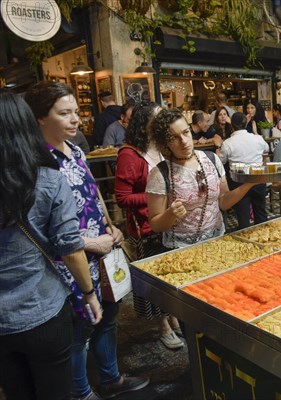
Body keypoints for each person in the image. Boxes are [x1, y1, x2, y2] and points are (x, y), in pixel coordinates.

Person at [25, 81, 149, 400]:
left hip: (102, 249)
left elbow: (94, 193)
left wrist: (112, 226)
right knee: (79, 330)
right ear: (40, 118)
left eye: (76, 112)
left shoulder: (77, 150)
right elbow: (43, 225)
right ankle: (80, 392)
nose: (75, 119)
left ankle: (111, 379)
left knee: (108, 316)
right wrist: (91, 243)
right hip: (69, 259)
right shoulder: (36, 162)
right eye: (64, 113)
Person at [0, 89, 102, 400]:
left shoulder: (70, 156)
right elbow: (69, 247)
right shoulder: (47, 177)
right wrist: (88, 293)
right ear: (28, 124)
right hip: (41, 308)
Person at [114, 102, 185, 351]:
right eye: (156, 118)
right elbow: (122, 197)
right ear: (143, 123)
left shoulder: (163, 149)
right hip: (145, 227)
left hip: (168, 222)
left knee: (171, 275)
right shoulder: (130, 154)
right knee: (155, 281)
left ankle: (174, 317)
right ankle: (163, 326)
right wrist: (155, 196)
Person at [146, 108, 257, 249]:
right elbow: (156, 225)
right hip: (180, 251)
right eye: (174, 137)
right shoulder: (160, 174)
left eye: (186, 133)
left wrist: (248, 184)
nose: (184, 141)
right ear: (164, 143)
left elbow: (223, 202)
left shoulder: (211, 160)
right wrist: (170, 214)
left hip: (217, 242)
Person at [218, 113, 269, 229]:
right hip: (258, 179)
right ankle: (265, 239)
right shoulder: (257, 139)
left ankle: (247, 243)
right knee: (261, 213)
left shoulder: (228, 143)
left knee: (243, 217)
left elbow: (221, 161)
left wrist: (217, 149)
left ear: (232, 126)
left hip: (239, 183)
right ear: (246, 124)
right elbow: (266, 148)